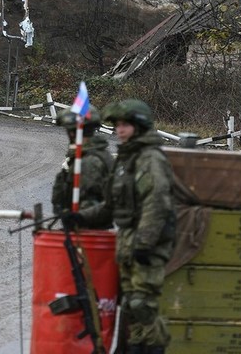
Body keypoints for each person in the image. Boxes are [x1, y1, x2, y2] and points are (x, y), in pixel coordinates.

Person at [63, 99, 176, 354]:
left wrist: (145, 244)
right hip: (127, 240)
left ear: (140, 127)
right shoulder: (126, 160)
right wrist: (81, 217)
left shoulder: (150, 159)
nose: (119, 130)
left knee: (142, 304)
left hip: (147, 243)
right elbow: (110, 205)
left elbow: (156, 204)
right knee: (131, 307)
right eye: (117, 126)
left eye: (125, 125)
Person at [51, 105, 113, 230]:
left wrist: (77, 219)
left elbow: (90, 204)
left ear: (73, 132)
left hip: (87, 235)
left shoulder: (89, 162)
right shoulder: (94, 155)